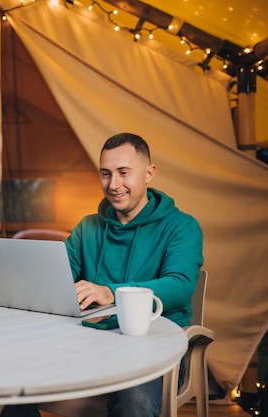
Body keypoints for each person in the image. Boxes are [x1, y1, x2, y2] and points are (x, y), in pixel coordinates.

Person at [65, 132, 204, 417]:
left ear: (148, 173)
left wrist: (109, 292)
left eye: (123, 173)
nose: (113, 185)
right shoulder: (86, 228)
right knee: (14, 380)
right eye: (105, 174)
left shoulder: (182, 227)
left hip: (155, 349)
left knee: (136, 404)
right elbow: (57, 280)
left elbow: (179, 285)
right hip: (88, 343)